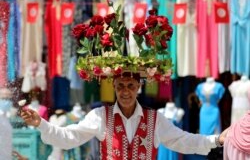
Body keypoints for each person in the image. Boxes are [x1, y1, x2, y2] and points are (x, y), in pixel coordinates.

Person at [20, 73, 228, 160]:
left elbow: (183, 140)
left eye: (130, 86)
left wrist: (216, 140)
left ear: (138, 87)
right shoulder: (100, 116)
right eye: (120, 86)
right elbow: (68, 137)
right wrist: (41, 124)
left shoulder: (155, 119)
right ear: (114, 88)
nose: (125, 91)